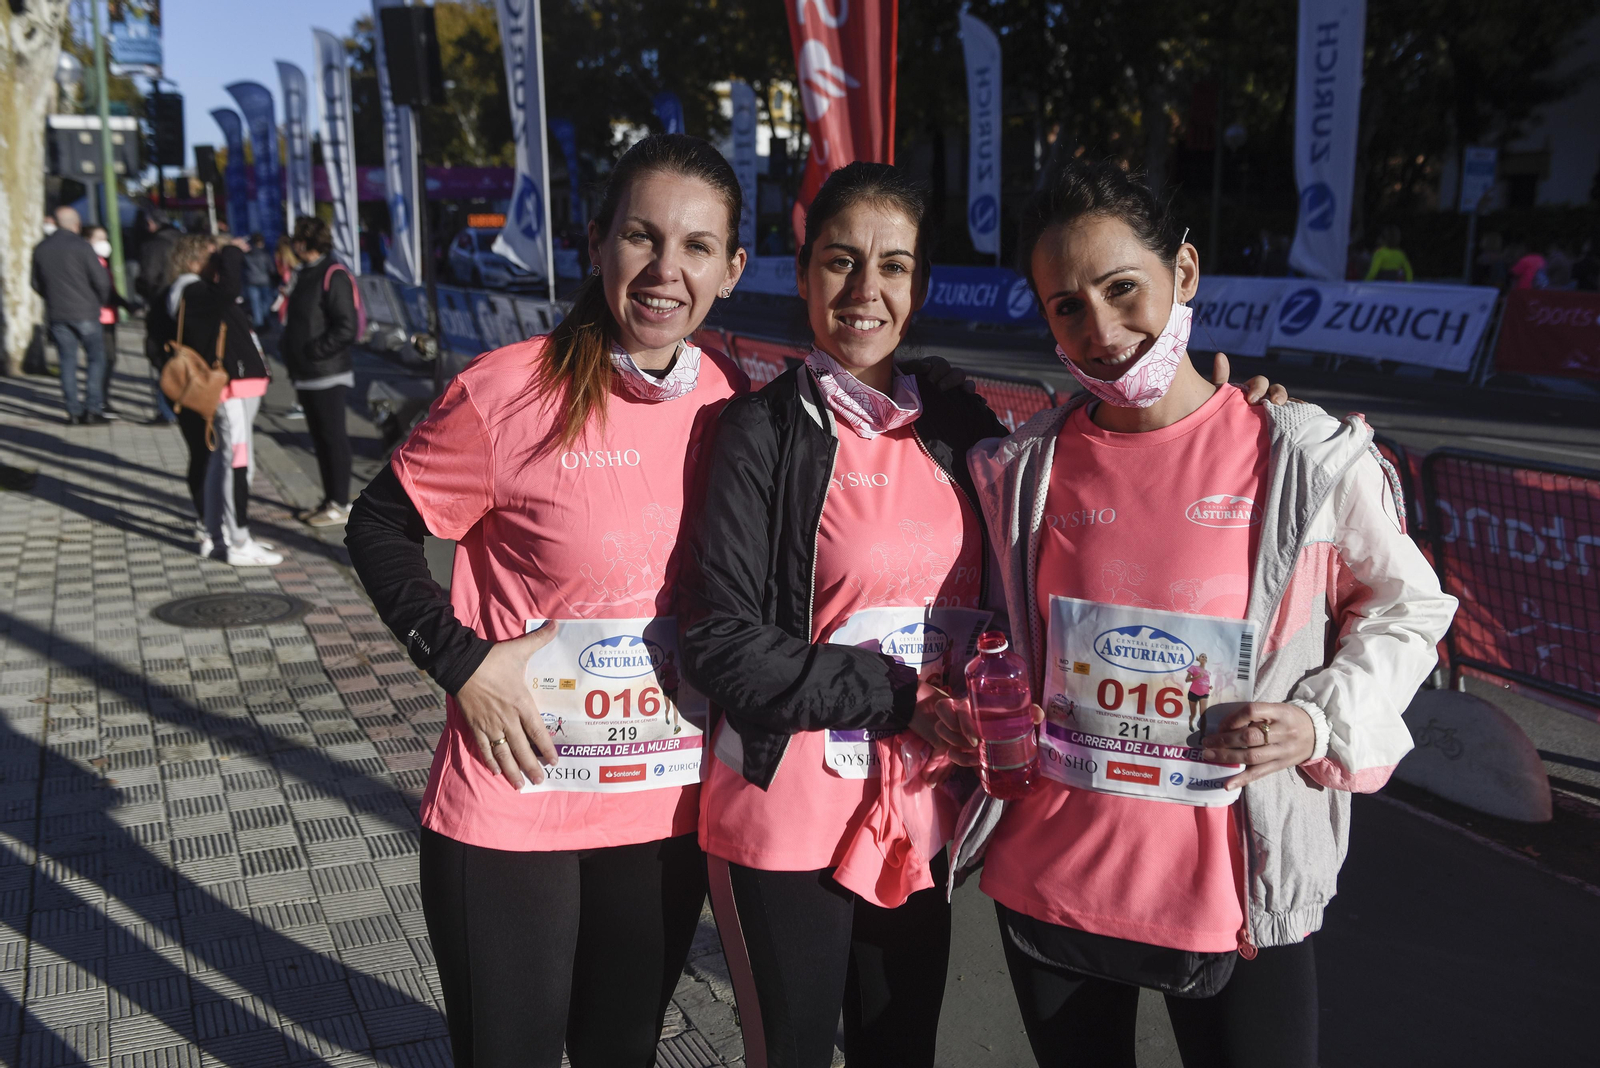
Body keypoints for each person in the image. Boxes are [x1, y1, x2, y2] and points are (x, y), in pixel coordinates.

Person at [679, 163, 1286, 1068]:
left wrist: (1228, 416)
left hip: (919, 811)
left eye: (894, 266)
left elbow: (1096, 492)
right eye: (841, 262)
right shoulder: (760, 430)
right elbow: (720, 644)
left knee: (900, 1052)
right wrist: (902, 698)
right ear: (803, 275)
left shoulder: (960, 427)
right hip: (787, 811)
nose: (866, 290)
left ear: (920, 285)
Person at [954, 159, 1457, 1068]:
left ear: (1184, 272)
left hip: (1236, 894)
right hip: (1052, 878)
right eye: (1068, 306)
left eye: (1123, 288)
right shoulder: (1020, 469)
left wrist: (1318, 722)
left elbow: (1409, 606)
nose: (1102, 331)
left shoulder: (1303, 456)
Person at [344, 134, 750, 1068]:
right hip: (514, 800)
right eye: (642, 236)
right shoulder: (507, 390)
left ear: (730, 271)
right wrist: (461, 663)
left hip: (662, 816)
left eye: (696, 246)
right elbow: (377, 525)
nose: (666, 269)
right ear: (597, 242)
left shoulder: (729, 404)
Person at [166, 233, 280, 567]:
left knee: (220, 463)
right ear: (194, 261)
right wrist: (231, 251)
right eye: (212, 257)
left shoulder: (185, 292)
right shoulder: (193, 291)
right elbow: (229, 289)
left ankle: (215, 536)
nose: (219, 264)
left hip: (223, 390)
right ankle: (238, 541)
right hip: (226, 392)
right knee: (236, 463)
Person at [281, 217, 358, 526]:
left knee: (333, 438)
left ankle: (340, 503)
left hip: (327, 372)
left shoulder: (333, 274)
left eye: (296, 239)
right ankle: (329, 500)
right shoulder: (304, 273)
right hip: (307, 373)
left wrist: (314, 351)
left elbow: (346, 327)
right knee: (320, 440)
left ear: (305, 242)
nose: (292, 246)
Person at [32, 206, 111, 425]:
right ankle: (93, 408)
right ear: (77, 224)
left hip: (57, 313)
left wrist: (52, 297)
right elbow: (101, 280)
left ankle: (73, 411)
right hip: (86, 311)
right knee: (96, 360)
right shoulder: (82, 247)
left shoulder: (41, 248)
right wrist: (99, 300)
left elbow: (35, 283)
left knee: (67, 362)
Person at [85, 225, 138, 418]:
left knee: (108, 360)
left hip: (108, 316)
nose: (104, 243)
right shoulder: (90, 262)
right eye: (99, 238)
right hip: (98, 318)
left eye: (105, 238)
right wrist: (124, 303)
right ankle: (98, 401)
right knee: (103, 360)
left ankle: (102, 400)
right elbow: (104, 291)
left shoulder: (101, 262)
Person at [242, 232, 277, 329]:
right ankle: (264, 319)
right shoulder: (265, 254)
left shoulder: (247, 255)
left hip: (251, 281)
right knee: (266, 302)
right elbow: (271, 269)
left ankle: (259, 323)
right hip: (264, 281)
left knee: (255, 304)